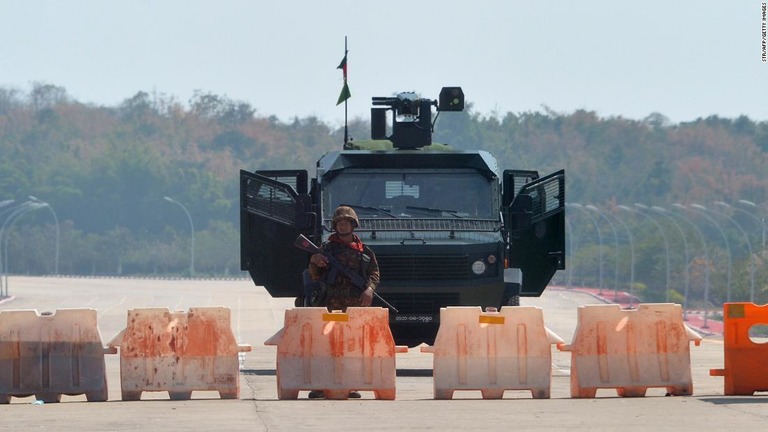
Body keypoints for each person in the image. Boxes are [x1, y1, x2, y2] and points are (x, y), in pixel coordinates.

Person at [306, 205, 380, 399]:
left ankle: (351, 385)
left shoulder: (364, 252)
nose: (343, 226)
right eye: (340, 223)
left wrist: (369, 290)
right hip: (330, 303)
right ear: (335, 226)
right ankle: (320, 386)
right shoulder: (326, 249)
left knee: (352, 346)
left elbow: (374, 274)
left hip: (354, 306)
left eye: (347, 222)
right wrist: (315, 260)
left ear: (353, 225)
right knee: (325, 345)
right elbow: (315, 276)